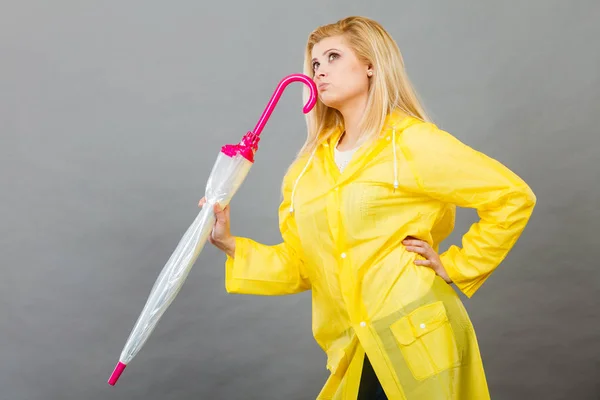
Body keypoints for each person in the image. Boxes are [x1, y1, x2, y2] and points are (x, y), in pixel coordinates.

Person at [198, 16, 536, 400]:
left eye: (333, 57)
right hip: (355, 345)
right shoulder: (307, 170)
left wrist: (458, 265)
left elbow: (512, 197)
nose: (319, 70)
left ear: (371, 64)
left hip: (416, 335)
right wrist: (229, 243)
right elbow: (304, 264)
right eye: (314, 64)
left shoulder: (411, 143)